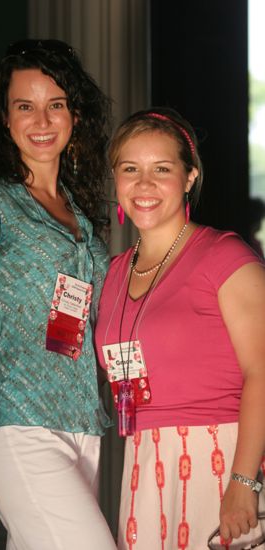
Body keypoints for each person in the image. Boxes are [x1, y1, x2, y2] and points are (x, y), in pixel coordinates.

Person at [0, 39, 117, 550]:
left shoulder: (78, 211)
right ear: (4, 117)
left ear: (74, 115)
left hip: (84, 425)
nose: (42, 120)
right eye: (25, 106)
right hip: (16, 421)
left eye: (55, 104)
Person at [95, 107, 265, 549]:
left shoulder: (225, 258)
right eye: (130, 169)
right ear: (116, 179)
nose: (144, 185)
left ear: (189, 177)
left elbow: (262, 370)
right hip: (143, 463)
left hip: (220, 458)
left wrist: (244, 481)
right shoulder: (113, 275)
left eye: (162, 169)